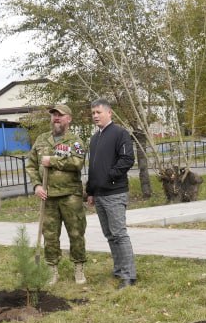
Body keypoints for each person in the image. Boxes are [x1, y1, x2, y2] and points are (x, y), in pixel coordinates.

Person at [26, 103, 88, 285]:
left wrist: (52, 160)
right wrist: (37, 185)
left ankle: (79, 267)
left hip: (71, 196)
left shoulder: (74, 141)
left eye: (60, 115)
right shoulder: (41, 140)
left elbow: (77, 162)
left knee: (76, 233)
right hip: (48, 196)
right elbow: (30, 164)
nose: (56, 118)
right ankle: (52, 269)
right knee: (50, 236)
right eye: (54, 115)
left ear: (68, 119)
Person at [85, 99, 137, 288]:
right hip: (99, 195)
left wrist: (109, 177)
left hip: (115, 193)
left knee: (119, 234)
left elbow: (127, 159)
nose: (95, 116)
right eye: (93, 113)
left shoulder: (120, 133)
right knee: (109, 235)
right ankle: (119, 270)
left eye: (98, 112)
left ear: (109, 113)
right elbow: (92, 167)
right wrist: (90, 191)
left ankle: (129, 275)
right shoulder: (95, 138)